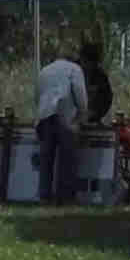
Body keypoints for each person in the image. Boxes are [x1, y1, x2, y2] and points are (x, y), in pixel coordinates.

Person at [30, 44, 91, 206]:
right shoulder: (74, 69)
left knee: (46, 159)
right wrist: (82, 114)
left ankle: (44, 196)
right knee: (67, 159)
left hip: (44, 116)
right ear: (73, 57)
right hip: (65, 115)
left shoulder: (44, 70)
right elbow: (80, 95)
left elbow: (37, 95)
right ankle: (65, 197)